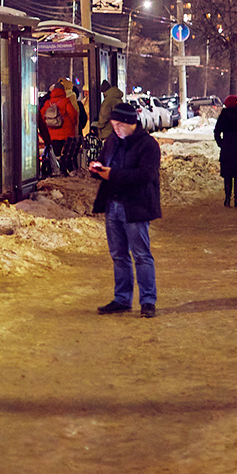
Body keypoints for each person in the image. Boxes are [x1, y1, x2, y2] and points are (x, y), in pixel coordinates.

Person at [90, 103, 162, 318]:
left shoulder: (148, 145)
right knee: (118, 255)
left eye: (119, 124)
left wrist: (112, 174)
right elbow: (105, 164)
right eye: (113, 124)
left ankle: (148, 301)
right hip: (113, 205)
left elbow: (146, 175)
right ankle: (122, 299)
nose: (116, 128)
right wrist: (97, 169)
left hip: (135, 206)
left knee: (141, 255)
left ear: (132, 123)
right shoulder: (112, 141)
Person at [40, 82, 79, 164]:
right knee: (66, 154)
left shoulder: (48, 103)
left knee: (56, 153)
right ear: (63, 90)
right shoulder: (65, 101)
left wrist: (48, 125)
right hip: (66, 134)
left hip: (52, 134)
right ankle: (64, 169)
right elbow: (73, 114)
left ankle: (58, 168)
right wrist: (73, 123)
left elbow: (42, 116)